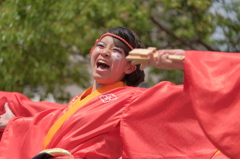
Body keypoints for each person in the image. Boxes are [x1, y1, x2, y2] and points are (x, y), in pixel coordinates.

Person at [0, 26, 239, 159]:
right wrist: (15, 123)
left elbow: (197, 100)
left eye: (116, 51)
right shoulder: (78, 102)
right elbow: (47, 116)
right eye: (101, 46)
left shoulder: (133, 100)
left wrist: (171, 59)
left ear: (130, 67)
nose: (104, 52)